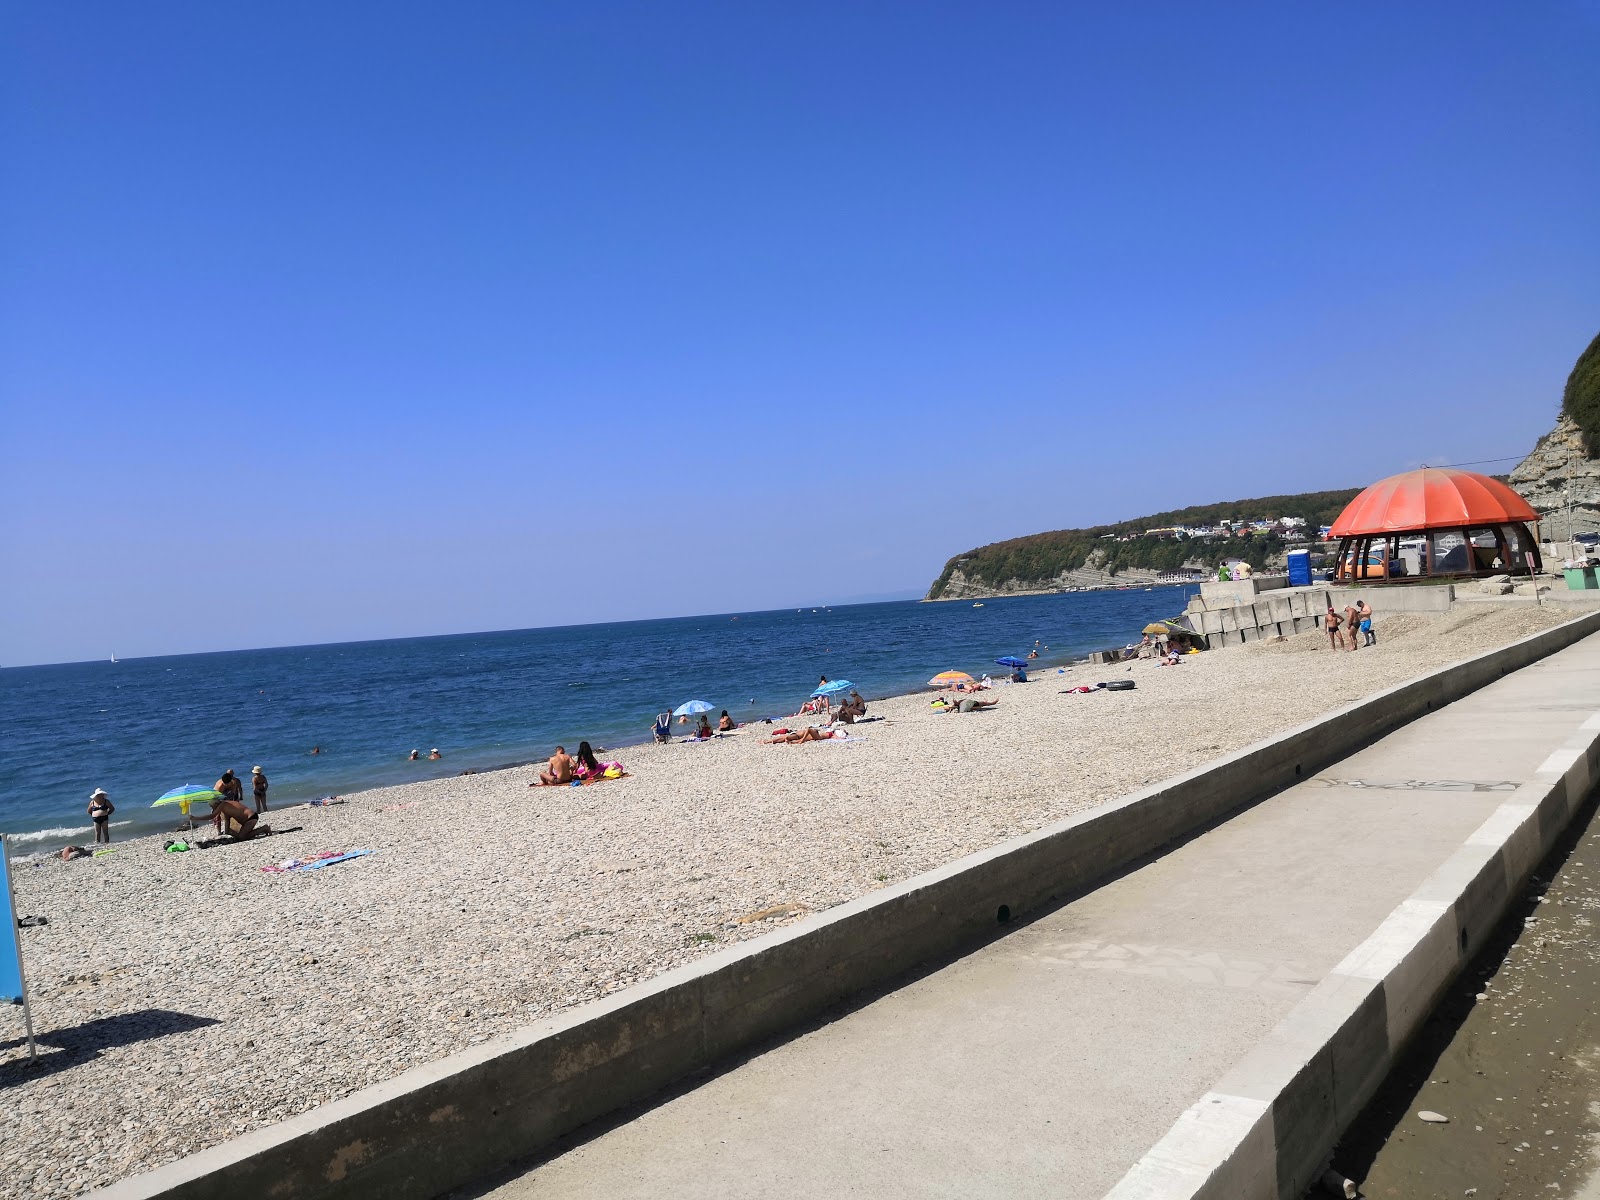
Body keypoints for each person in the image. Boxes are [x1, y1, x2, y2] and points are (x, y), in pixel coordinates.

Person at [766, 725, 842, 744]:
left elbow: (836, 737)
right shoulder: (831, 732)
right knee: (786, 737)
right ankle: (768, 741)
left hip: (818, 737)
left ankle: (800, 740)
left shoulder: (832, 734)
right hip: (815, 737)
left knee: (787, 737)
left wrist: (840, 739)